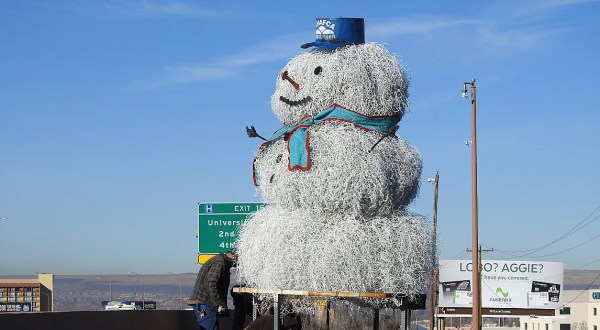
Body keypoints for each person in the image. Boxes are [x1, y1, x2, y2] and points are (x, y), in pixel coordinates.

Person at [188, 250, 237, 330]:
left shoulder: (219, 261)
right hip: (206, 304)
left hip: (205, 304)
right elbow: (211, 283)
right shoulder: (219, 262)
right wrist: (218, 304)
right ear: (233, 257)